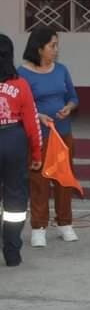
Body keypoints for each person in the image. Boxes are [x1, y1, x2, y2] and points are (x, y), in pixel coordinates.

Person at [19, 26, 80, 247]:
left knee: (64, 179)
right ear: (39, 48)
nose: (56, 49)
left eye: (57, 45)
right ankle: (38, 227)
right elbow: (21, 106)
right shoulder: (23, 73)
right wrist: (39, 115)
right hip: (39, 136)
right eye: (52, 45)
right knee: (39, 181)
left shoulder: (62, 69)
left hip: (62, 134)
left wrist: (69, 107)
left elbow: (74, 97)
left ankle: (65, 223)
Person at [0, 34, 42, 267]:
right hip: (14, 138)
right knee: (15, 199)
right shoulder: (20, 84)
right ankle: (12, 251)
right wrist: (37, 153)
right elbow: (32, 122)